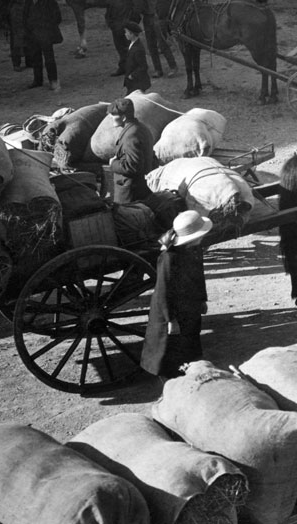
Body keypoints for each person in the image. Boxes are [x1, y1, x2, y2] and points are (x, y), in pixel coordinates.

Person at [140, 209, 213, 380]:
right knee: (170, 346)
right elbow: (163, 291)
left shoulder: (195, 250)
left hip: (190, 307)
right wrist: (170, 319)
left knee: (189, 340)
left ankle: (187, 370)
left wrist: (202, 299)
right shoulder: (169, 258)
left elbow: (199, 276)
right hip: (173, 311)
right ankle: (167, 378)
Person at [133, 0, 179, 78]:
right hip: (147, 17)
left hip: (156, 17)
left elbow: (164, 1)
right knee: (151, 45)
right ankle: (158, 69)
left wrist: (161, 16)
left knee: (162, 44)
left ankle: (173, 66)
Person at [107, 96, 155, 204]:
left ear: (123, 118)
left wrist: (113, 163)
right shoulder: (141, 128)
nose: (111, 117)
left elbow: (133, 166)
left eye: (113, 115)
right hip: (143, 188)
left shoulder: (131, 136)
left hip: (131, 193)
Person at [22, 0, 62, 91]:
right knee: (35, 58)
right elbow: (25, 15)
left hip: (45, 35)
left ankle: (53, 80)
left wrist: (46, 28)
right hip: (33, 35)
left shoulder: (49, 1)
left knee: (49, 59)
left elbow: (57, 18)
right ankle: (37, 80)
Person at [104, 0, 147, 76]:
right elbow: (109, 3)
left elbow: (138, 5)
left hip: (127, 21)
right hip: (115, 21)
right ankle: (123, 66)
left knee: (130, 46)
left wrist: (131, 21)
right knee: (119, 46)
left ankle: (136, 67)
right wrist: (108, 19)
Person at [3, 0, 30, 71]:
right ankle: (16, 63)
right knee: (16, 38)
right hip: (14, 12)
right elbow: (3, 0)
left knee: (28, 35)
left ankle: (29, 61)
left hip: (25, 10)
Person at [121, 21, 151, 95]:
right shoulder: (132, 45)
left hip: (137, 84)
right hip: (132, 84)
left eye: (126, 32)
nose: (125, 34)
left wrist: (132, 75)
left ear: (132, 34)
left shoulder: (138, 49)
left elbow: (143, 67)